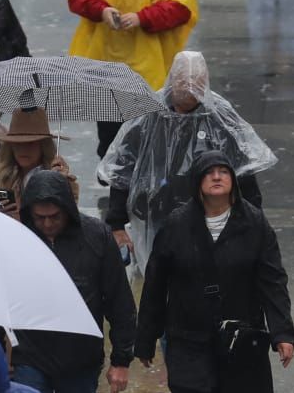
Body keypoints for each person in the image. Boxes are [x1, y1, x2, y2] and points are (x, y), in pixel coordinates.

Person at [134, 151, 294, 393]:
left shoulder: (254, 224)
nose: (218, 178)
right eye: (210, 173)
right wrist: (144, 339)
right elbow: (156, 284)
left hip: (239, 338)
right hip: (189, 337)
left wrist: (282, 333)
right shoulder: (177, 225)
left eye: (224, 172)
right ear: (199, 182)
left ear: (234, 182)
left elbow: (272, 279)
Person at [99, 50, 276, 269]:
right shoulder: (148, 117)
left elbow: (243, 173)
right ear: (172, 79)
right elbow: (123, 171)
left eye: (196, 82)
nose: (190, 88)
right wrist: (116, 224)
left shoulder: (219, 117)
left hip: (210, 219)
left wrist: (254, 223)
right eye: (184, 81)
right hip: (156, 216)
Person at [66, 0, 199, 156]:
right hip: (106, 60)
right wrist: (102, 10)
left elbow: (183, 4)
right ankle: (114, 174)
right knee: (109, 131)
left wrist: (143, 17)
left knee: (145, 129)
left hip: (149, 63)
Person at [13, 170, 136, 393]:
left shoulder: (97, 236)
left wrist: (121, 360)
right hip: (30, 355)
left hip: (80, 358)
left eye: (54, 217)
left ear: (67, 210)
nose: (47, 224)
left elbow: (119, 301)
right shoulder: (18, 238)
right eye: (40, 218)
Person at [0, 107, 79, 216]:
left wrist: (58, 185)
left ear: (43, 145)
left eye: (30, 143)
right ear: (10, 146)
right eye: (18, 143)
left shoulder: (64, 182)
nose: (23, 149)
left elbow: (68, 222)